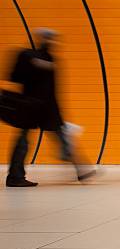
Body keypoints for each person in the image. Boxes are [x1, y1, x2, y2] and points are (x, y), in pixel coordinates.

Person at [5, 28, 95, 187]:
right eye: (50, 39)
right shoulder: (29, 56)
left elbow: (51, 87)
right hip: (34, 106)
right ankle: (15, 176)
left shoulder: (48, 59)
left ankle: (81, 169)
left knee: (58, 140)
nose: (53, 42)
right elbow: (15, 76)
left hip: (42, 107)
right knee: (27, 142)